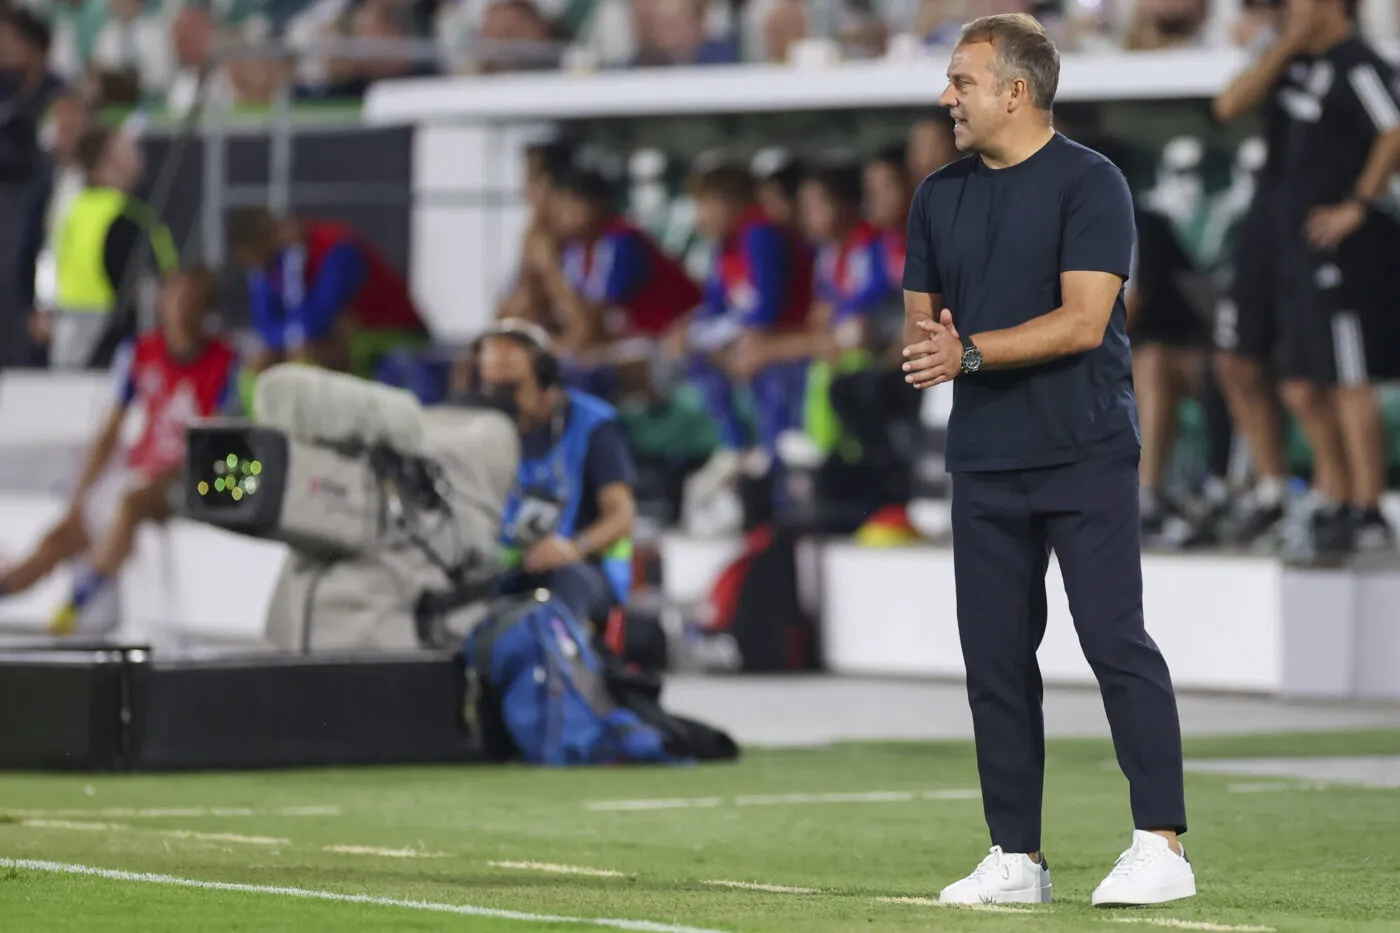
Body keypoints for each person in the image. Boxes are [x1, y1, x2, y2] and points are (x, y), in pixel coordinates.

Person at [898, 14, 1194, 907]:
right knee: (993, 656)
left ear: (1014, 91)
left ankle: (1162, 845)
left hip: (1085, 449)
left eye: (962, 81)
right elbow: (924, 327)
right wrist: (932, 350)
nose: (945, 97)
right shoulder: (936, 195)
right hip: (983, 457)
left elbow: (1084, 320)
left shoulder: (1092, 183)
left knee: (1113, 641)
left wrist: (969, 354)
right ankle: (1014, 857)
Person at [1213, 0, 1400, 557]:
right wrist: (1285, 47)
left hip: (1336, 246)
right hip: (1284, 244)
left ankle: (1368, 506)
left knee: (1347, 375)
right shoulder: (1287, 61)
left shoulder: (1359, 63)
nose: (1287, 9)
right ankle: (1334, 495)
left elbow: (1394, 129)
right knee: (1298, 380)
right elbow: (1228, 105)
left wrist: (1358, 204)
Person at [0, 267, 240, 634]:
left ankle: (78, 601)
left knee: (131, 503)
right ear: (161, 303)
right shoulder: (140, 352)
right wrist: (81, 496)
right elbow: (110, 430)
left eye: (191, 302)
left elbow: (218, 442)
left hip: (193, 479)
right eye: (175, 298)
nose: (181, 311)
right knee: (63, 533)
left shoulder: (226, 362)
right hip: (139, 473)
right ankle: (8, 586)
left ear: (205, 309)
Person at [469, 319, 639, 625]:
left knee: (564, 585)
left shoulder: (594, 425)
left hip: (583, 568)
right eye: (491, 385)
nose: (498, 396)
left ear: (543, 375)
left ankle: (561, 659)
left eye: (509, 386)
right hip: (512, 567)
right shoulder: (488, 430)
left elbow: (622, 515)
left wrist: (573, 548)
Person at [666, 162, 813, 504]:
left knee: (765, 371)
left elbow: (768, 309)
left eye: (705, 205)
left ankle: (778, 474)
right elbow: (717, 308)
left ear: (731, 202)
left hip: (791, 346)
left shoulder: (761, 235)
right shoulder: (726, 248)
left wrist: (710, 335)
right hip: (752, 345)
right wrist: (689, 330)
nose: (700, 217)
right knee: (695, 354)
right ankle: (735, 445)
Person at [528, 149, 701, 397]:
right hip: (626, 345)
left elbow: (591, 325)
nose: (556, 217)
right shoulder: (576, 249)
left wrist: (550, 270)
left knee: (573, 374)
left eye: (563, 206)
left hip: (669, 345)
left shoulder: (622, 240)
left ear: (590, 205)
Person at [227, 207, 429, 392]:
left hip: (387, 333)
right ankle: (268, 427)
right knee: (257, 365)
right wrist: (287, 341)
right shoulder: (270, 265)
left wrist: (293, 340)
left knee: (304, 359)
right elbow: (266, 325)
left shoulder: (338, 247)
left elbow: (321, 317)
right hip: (330, 336)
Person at [45, 123, 176, 370]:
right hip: (114, 341)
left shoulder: (74, 209)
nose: (138, 154)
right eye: (127, 148)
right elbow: (144, 287)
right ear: (108, 159)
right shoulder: (126, 216)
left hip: (71, 334)